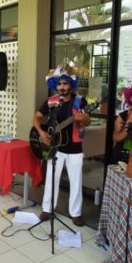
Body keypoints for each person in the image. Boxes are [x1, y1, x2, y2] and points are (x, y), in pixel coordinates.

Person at [32, 74, 91, 227]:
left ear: (70, 85)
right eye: (59, 84)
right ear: (55, 86)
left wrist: (82, 119)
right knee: (52, 178)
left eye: (65, 83)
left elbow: (88, 120)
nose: (62, 87)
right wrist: (41, 132)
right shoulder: (51, 101)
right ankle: (47, 209)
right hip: (55, 147)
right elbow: (37, 118)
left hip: (75, 147)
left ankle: (76, 213)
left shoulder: (80, 101)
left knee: (76, 181)